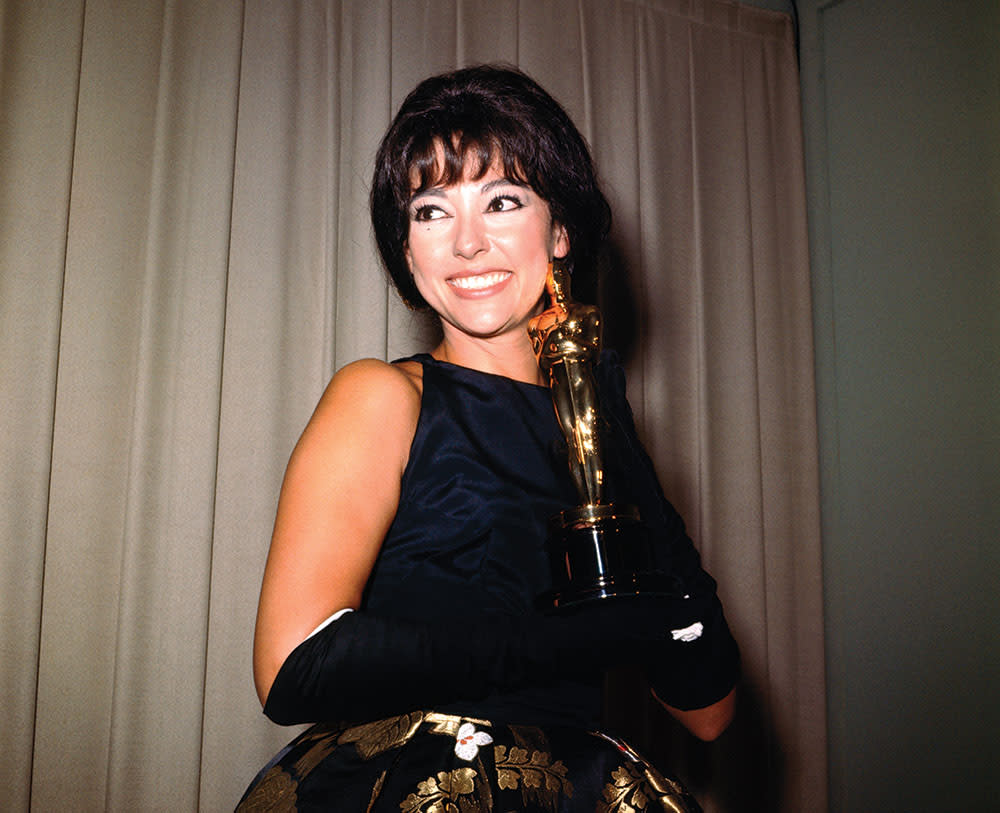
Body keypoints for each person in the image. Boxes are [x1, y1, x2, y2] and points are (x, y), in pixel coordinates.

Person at [238, 64, 739, 812]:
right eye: (431, 211)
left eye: (502, 200)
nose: (467, 243)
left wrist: (612, 435)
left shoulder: (595, 429)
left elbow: (708, 709)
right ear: (407, 249)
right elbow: (292, 669)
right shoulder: (382, 395)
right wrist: (571, 638)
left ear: (560, 230)